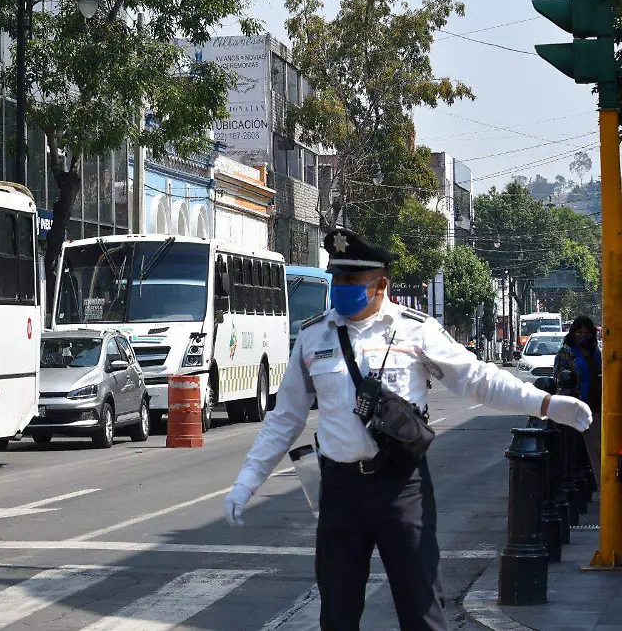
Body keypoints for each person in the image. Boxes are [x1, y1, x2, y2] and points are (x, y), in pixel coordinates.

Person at [222, 228, 592, 631]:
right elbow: (284, 417)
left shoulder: (416, 330)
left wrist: (545, 404)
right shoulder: (313, 337)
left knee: (422, 612)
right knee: (337, 615)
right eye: (337, 279)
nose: (341, 288)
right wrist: (247, 481)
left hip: (402, 489)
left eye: (351, 280)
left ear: (380, 283)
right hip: (340, 493)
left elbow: (478, 379)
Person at [554, 315, 602, 485]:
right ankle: (602, 486)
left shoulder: (596, 353)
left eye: (586, 332)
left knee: (599, 449)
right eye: (579, 332)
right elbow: (559, 377)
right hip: (579, 408)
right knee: (593, 451)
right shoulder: (566, 353)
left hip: (599, 406)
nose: (583, 335)